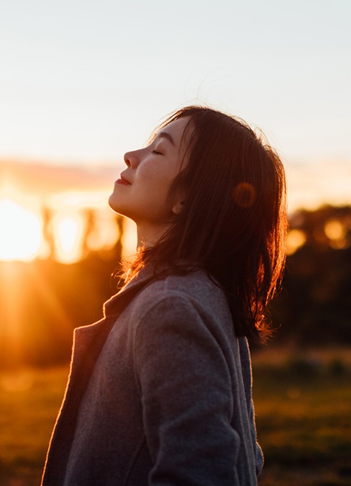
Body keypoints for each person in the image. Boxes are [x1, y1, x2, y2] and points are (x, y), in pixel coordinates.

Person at [41, 106, 287, 485]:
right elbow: (242, 456)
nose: (131, 156)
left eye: (158, 151)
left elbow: (203, 472)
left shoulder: (171, 307)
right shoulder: (203, 293)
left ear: (187, 198)